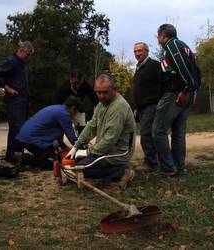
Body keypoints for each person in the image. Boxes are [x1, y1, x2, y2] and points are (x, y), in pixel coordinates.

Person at [66, 74, 136, 190]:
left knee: (81, 167)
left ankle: (123, 170)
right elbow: (91, 126)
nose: (101, 96)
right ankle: (115, 170)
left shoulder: (118, 108)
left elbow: (109, 141)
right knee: (77, 161)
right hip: (106, 150)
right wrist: (76, 146)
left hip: (118, 153)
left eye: (105, 92)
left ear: (114, 90)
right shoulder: (101, 104)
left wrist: (87, 152)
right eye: (98, 92)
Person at [153, 24, 198, 176]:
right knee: (178, 132)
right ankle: (178, 167)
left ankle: (168, 167)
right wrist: (190, 89)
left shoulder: (172, 45)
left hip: (176, 93)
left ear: (163, 36)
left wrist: (186, 89)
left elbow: (182, 66)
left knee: (158, 130)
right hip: (186, 92)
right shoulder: (183, 45)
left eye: (158, 36)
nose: (158, 39)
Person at [0, 41, 34, 164]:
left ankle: (15, 156)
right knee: (17, 127)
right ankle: (13, 156)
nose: (28, 57)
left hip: (22, 100)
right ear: (22, 51)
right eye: (28, 54)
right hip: (15, 100)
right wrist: (8, 89)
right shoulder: (11, 61)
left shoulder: (21, 64)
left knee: (18, 128)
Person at [16, 96, 80, 169]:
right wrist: (81, 149)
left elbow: (57, 139)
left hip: (25, 136)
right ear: (73, 108)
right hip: (33, 140)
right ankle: (23, 158)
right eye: (76, 111)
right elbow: (73, 139)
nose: (75, 114)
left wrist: (66, 148)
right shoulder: (64, 114)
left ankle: (23, 158)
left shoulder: (57, 108)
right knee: (53, 164)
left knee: (54, 157)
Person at [132, 42, 161, 172]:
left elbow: (162, 84)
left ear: (147, 51)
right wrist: (137, 107)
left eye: (140, 51)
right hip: (142, 107)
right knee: (146, 134)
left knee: (146, 134)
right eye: (135, 51)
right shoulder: (138, 68)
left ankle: (151, 163)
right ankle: (151, 160)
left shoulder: (154, 65)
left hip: (152, 105)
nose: (137, 53)